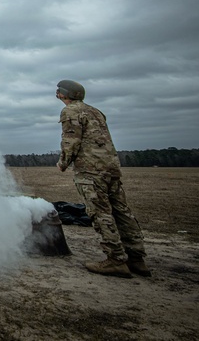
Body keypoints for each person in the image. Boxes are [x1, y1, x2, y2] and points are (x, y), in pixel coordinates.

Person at [55, 79, 151, 278]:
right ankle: (136, 258)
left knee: (100, 213)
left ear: (65, 94)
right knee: (122, 212)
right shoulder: (95, 111)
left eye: (59, 91)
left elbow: (71, 140)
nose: (57, 93)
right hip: (110, 168)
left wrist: (63, 162)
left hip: (91, 170)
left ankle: (116, 260)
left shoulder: (70, 111)